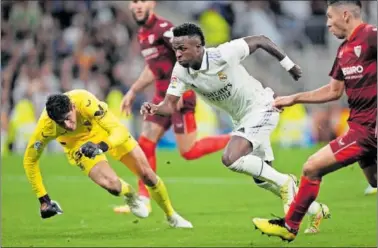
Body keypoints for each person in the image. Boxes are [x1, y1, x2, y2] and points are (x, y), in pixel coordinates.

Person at [140, 22, 330, 233]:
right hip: (241, 120)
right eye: (175, 48)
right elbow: (169, 105)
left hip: (262, 107)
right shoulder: (181, 71)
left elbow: (261, 40)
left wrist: (289, 65)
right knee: (262, 179)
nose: (178, 54)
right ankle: (315, 209)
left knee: (230, 158)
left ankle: (287, 183)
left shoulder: (223, 54)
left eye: (182, 48)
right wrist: (155, 108)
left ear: (199, 47)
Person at [252, 0, 376, 242]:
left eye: (330, 17)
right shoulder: (344, 51)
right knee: (374, 180)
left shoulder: (371, 36)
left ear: (346, 15)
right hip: (359, 125)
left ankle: (289, 226)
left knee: (311, 167)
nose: (327, 23)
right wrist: (294, 98)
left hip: (368, 130)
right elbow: (333, 92)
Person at [115, 0, 230, 214]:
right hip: (161, 97)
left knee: (188, 151)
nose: (138, 5)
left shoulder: (164, 29)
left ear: (153, 3)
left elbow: (186, 55)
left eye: (143, 1)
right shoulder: (143, 34)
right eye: (134, 1)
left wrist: (180, 88)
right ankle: (144, 199)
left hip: (179, 97)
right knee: (145, 144)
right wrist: (133, 91)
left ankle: (235, 138)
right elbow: (153, 69)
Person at [23, 89, 192, 228]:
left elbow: (119, 131)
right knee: (112, 186)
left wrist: (101, 146)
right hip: (77, 145)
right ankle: (130, 196)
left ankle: (171, 215)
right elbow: (30, 160)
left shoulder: (85, 101)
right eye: (61, 123)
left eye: (68, 118)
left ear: (73, 107)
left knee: (147, 175)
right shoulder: (45, 128)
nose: (67, 125)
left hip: (105, 133)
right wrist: (43, 199)